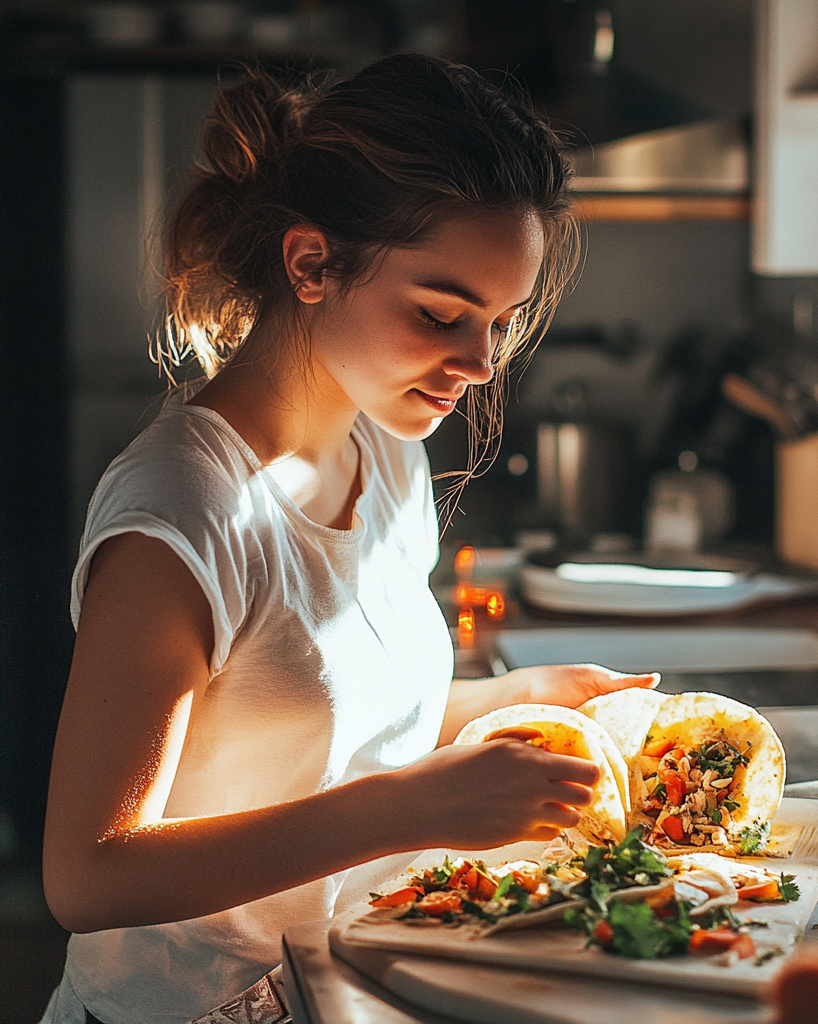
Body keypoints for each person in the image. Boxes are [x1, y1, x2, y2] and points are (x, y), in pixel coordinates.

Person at [41, 54, 657, 1024]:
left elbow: (304, 728)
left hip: (347, 992)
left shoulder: (386, 450)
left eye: (501, 320)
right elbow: (87, 875)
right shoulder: (183, 512)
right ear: (310, 264)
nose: (480, 364)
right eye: (441, 314)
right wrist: (416, 806)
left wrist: (506, 701)